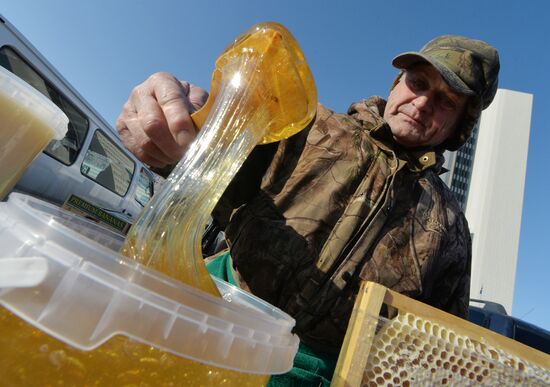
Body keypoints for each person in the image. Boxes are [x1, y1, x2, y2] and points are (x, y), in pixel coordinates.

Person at [116, 35, 500, 385]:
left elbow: (442, 351)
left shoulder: (452, 227)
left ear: (459, 127)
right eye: (417, 82)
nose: (421, 103)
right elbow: (206, 157)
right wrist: (177, 127)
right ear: (397, 83)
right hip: (212, 317)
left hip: (320, 375)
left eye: (445, 102)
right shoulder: (308, 123)